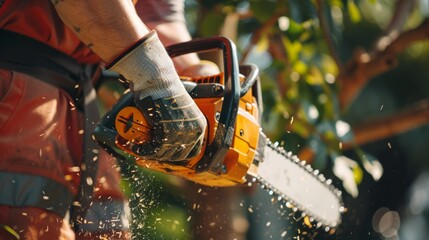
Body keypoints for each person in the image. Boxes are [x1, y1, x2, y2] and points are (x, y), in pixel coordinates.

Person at [0, 0, 218, 239]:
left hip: (79, 99)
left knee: (106, 226)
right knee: (24, 221)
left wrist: (198, 78)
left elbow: (157, 18)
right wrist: (159, 80)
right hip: (15, 81)